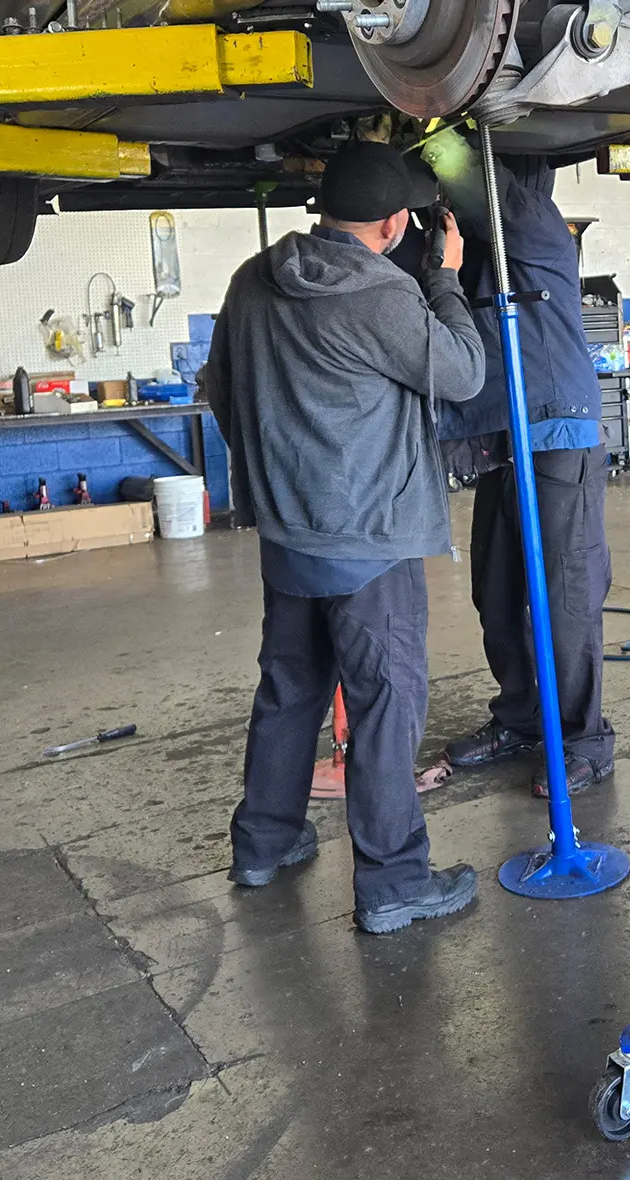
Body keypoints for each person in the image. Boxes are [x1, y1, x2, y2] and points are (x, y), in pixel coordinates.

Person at [198, 142, 485, 934]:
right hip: (371, 540)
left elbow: (219, 388)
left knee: (289, 690)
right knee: (386, 702)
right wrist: (446, 278)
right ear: (396, 224)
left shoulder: (252, 279)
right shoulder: (382, 293)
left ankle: (265, 842)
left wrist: (282, 471)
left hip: (289, 535)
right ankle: (395, 884)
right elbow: (463, 373)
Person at [427, 138, 616, 797]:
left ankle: (584, 739)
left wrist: (430, 133)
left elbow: (466, 175)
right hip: (504, 435)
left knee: (563, 598)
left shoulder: (530, 222)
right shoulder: (477, 245)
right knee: (498, 592)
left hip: (557, 430)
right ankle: (522, 718)